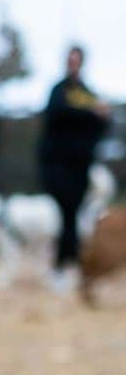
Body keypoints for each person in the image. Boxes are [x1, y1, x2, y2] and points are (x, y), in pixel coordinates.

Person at [38, 44, 111, 292]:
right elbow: (58, 115)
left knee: (72, 217)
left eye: (77, 60)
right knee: (65, 216)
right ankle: (63, 266)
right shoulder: (58, 92)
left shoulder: (88, 94)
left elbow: (99, 127)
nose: (73, 64)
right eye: (70, 60)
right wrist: (89, 112)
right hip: (56, 167)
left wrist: (101, 115)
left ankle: (68, 266)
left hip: (79, 168)